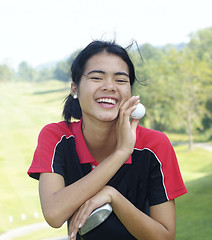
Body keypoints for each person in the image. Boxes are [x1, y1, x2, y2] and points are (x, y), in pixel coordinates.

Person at [28, 40, 187, 240]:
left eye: (121, 80)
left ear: (130, 92)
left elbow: (165, 237)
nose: (110, 87)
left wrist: (113, 197)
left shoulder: (154, 145)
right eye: (97, 77)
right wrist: (121, 153)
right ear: (74, 88)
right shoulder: (56, 137)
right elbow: (54, 213)